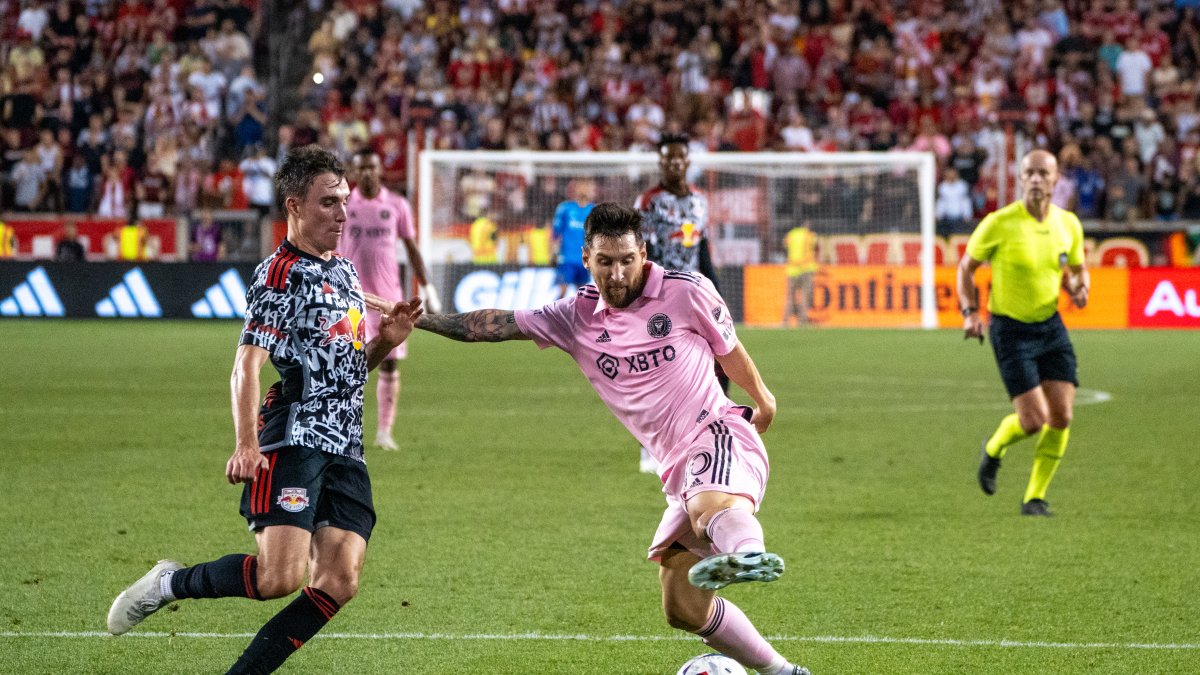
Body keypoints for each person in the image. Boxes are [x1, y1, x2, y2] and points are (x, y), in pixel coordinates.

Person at [367, 203, 809, 675]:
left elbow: (728, 348)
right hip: (675, 466)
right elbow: (491, 325)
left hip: (717, 432)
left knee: (709, 509)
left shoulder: (687, 290)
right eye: (605, 262)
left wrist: (763, 398)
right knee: (683, 606)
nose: (617, 275)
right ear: (586, 258)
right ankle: (785, 672)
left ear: (643, 254)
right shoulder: (574, 316)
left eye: (626, 260)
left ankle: (749, 555)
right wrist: (422, 320)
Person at [106, 146, 424, 674]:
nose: (343, 214)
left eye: (344, 202)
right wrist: (245, 444)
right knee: (278, 578)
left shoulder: (345, 273)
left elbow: (345, 370)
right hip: (295, 437)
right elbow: (246, 365)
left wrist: (385, 343)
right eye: (328, 203)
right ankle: (169, 583)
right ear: (294, 205)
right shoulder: (279, 275)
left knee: (340, 581)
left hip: (345, 443)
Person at [958, 149, 1089, 517]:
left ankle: (1035, 498)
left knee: (1062, 416)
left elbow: (1078, 269)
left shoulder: (1068, 224)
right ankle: (994, 448)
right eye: (1029, 172)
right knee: (1033, 421)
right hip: (1011, 330)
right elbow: (966, 268)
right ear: (1019, 178)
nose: (1035, 179)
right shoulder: (999, 223)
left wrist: (1080, 288)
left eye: (1043, 173)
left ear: (1056, 179)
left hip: (1050, 326)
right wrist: (970, 313)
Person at [634, 132, 725, 474]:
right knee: (659, 371)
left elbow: (702, 250)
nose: (674, 163)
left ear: (687, 161)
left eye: (679, 157)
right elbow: (641, 253)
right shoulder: (649, 201)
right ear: (660, 162)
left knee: (718, 362)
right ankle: (650, 446)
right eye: (667, 158)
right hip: (659, 295)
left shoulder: (701, 200)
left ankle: (712, 434)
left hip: (696, 294)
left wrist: (717, 294)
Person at [341, 149, 439, 451]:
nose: (367, 173)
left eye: (371, 167)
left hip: (388, 300)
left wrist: (428, 288)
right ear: (354, 173)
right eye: (361, 168)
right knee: (345, 364)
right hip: (351, 298)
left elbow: (411, 248)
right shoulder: (343, 204)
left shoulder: (397, 205)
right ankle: (344, 430)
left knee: (389, 363)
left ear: (380, 170)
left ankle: (384, 432)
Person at [551, 178, 595, 299]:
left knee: (582, 296)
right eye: (581, 186)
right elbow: (555, 234)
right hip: (566, 259)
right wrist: (553, 254)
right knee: (562, 291)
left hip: (583, 260)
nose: (584, 189)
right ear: (575, 189)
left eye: (587, 186)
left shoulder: (594, 210)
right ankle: (554, 311)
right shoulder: (565, 209)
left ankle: (579, 312)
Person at [783, 222, 818, 326]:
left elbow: (785, 245)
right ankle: (802, 320)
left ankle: (785, 320)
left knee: (789, 296)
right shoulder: (810, 235)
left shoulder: (791, 234)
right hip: (806, 269)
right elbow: (815, 247)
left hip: (792, 269)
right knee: (805, 296)